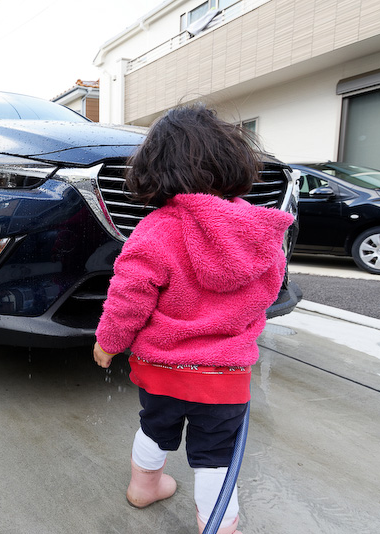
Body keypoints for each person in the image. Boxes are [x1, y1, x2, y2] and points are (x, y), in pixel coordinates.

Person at [92, 104, 294, 534]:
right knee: (216, 457)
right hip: (224, 375)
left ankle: (144, 486)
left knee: (153, 428)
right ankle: (218, 524)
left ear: (154, 168)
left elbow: (130, 294)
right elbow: (268, 292)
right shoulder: (260, 232)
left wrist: (109, 341)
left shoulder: (156, 229)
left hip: (161, 369)